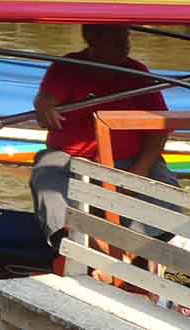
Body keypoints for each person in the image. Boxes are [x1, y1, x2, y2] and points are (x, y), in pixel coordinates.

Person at [29, 24, 178, 252]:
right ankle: (70, 242)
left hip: (131, 160)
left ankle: (139, 249)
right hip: (70, 158)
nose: (124, 43)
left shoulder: (138, 72)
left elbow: (159, 127)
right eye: (115, 36)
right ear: (91, 38)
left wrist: (141, 169)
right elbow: (47, 99)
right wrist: (44, 104)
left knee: (163, 187)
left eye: (125, 36)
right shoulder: (69, 66)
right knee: (47, 177)